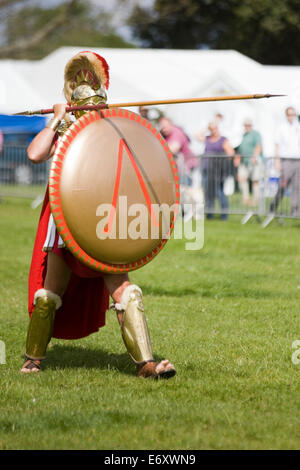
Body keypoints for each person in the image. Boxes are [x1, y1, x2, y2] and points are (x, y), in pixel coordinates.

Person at [21, 51, 175, 379]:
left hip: (106, 225)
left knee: (126, 292)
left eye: (99, 106)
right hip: (67, 226)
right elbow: (34, 154)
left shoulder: (112, 132)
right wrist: (57, 119)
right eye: (89, 107)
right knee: (50, 295)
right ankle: (32, 359)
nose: (95, 111)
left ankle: (146, 365)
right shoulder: (65, 134)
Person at [198, 121, 234, 220]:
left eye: (215, 128)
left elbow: (231, 153)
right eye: (212, 129)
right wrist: (206, 128)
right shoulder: (207, 138)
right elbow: (197, 135)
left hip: (218, 171)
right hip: (207, 169)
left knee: (219, 192)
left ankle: (224, 215)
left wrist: (221, 163)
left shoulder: (223, 140)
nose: (214, 130)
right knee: (208, 193)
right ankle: (210, 214)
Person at [269, 106, 300, 216]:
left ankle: (294, 209)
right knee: (283, 185)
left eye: (293, 114)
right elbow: (277, 145)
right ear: (286, 115)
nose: (291, 117)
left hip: (297, 160)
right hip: (286, 160)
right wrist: (277, 161)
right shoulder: (281, 128)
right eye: (289, 114)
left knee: (297, 187)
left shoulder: (298, 126)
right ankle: (273, 206)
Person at [158, 116, 199, 187]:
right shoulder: (164, 134)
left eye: (165, 127)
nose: (163, 129)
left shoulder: (177, 133)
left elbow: (173, 149)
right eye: (161, 127)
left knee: (183, 190)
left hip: (185, 167)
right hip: (177, 168)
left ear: (171, 125)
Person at [234, 118, 263, 207]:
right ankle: (245, 199)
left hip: (255, 161)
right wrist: (237, 158)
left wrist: (255, 156)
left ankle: (255, 200)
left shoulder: (256, 134)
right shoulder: (242, 135)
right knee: (242, 179)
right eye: (245, 125)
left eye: (248, 125)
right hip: (244, 161)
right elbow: (239, 148)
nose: (247, 127)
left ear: (251, 126)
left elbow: (258, 146)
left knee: (255, 180)